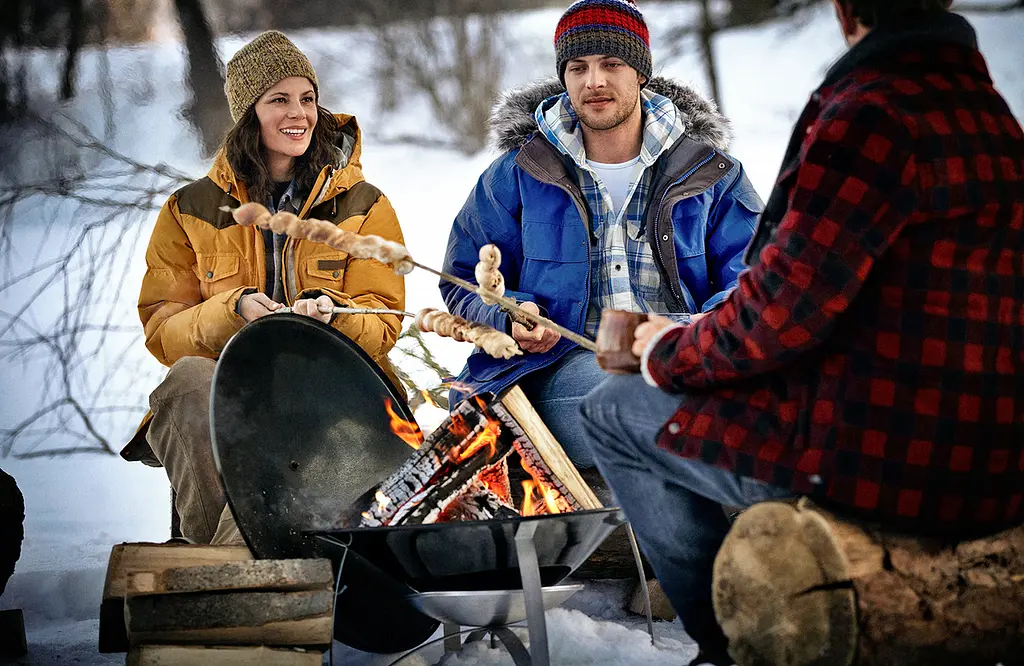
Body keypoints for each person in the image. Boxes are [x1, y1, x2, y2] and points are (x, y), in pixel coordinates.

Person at [579, 1, 1024, 663]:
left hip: (881, 459)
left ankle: (727, 642)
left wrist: (668, 351)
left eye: (611, 63)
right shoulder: (990, 115)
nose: (595, 81)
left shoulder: (871, 114)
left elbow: (775, 315)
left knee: (612, 409)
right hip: (989, 450)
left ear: (846, 11)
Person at [441, 0, 762, 467]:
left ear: (640, 73)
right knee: (635, 402)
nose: (594, 81)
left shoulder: (713, 173)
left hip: (687, 364)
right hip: (554, 372)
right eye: (578, 67)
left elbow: (756, 282)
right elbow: (464, 277)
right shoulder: (518, 172)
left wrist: (695, 334)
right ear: (564, 77)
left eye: (611, 64)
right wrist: (511, 314)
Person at [119, 31, 407, 547]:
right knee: (185, 381)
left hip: (335, 398)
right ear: (248, 111)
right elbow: (164, 329)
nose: (299, 113)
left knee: (282, 426)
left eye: (307, 98)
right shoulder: (189, 211)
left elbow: (384, 319)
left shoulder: (364, 205)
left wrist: (331, 319)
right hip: (236, 392)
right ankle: (243, 569)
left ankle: (222, 576)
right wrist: (234, 311)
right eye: (279, 99)